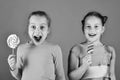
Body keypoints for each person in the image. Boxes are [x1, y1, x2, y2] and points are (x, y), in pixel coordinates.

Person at [8, 11, 66, 80]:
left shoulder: (55, 49)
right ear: (28, 29)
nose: (37, 31)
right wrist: (13, 67)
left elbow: (60, 76)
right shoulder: (21, 49)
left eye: (42, 27)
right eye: (33, 27)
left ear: (48, 30)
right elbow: (19, 77)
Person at [68, 11, 116, 80]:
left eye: (96, 26)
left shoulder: (109, 50)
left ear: (102, 29)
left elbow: (112, 75)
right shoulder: (77, 49)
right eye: (88, 26)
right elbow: (72, 78)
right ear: (83, 29)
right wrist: (84, 66)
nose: (92, 30)